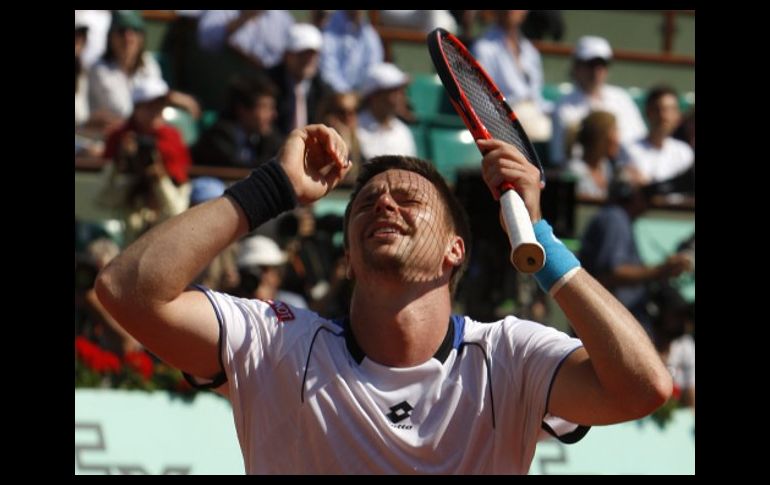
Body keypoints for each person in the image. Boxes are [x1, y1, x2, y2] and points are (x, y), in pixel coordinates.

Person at [96, 124, 672, 474]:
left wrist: (540, 241)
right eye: (367, 204)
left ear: (454, 250)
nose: (385, 206)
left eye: (408, 200)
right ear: (348, 252)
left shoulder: (511, 355)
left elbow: (643, 387)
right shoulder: (277, 343)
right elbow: (126, 291)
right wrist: (271, 187)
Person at [549, 36, 647, 167]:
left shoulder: (622, 98)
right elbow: (564, 159)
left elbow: (639, 142)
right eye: (591, 64)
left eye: (602, 64)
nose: (596, 71)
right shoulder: (563, 107)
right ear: (576, 66)